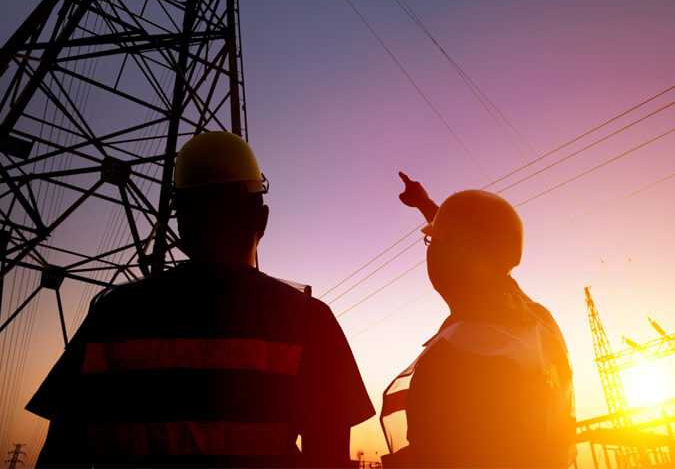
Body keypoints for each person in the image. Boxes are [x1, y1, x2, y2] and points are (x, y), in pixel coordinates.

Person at [27, 131, 374, 468]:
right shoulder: (309, 321)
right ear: (262, 219)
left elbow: (60, 453)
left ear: (181, 225)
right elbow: (328, 458)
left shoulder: (112, 315)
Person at [380, 172, 576, 468]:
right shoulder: (535, 319)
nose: (430, 251)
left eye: (432, 242)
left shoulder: (455, 354)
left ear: (449, 256)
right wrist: (425, 204)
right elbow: (481, 246)